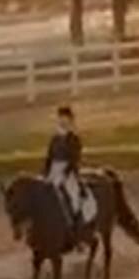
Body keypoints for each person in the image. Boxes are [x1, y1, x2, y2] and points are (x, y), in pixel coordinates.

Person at [44, 105, 85, 247]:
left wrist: (64, 174)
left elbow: (74, 159)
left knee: (73, 199)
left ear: (70, 120)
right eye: (60, 118)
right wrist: (45, 174)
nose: (62, 121)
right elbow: (48, 158)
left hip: (69, 172)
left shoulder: (74, 139)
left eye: (65, 119)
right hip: (54, 171)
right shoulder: (54, 138)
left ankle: (76, 233)